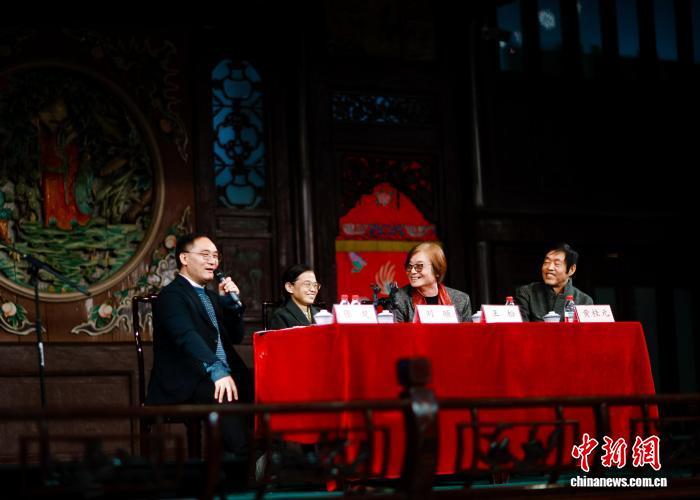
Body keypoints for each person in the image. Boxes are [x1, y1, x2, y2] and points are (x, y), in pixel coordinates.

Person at [146, 232, 251, 453]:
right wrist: (216, 369)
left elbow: (235, 337)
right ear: (184, 258)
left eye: (215, 256)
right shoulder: (171, 295)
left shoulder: (212, 297)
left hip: (219, 373)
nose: (213, 261)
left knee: (261, 386)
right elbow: (186, 335)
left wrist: (231, 307)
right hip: (187, 378)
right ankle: (243, 461)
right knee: (224, 393)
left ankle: (261, 454)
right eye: (205, 255)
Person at [391, 242, 472, 322]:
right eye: (409, 266)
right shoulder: (398, 299)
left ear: (437, 270)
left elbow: (468, 331)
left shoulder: (461, 300)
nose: (412, 271)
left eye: (419, 266)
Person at [515, 242, 594, 322]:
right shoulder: (526, 294)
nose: (550, 268)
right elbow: (519, 327)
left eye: (557, 264)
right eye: (546, 262)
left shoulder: (584, 301)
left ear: (571, 269)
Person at [269, 264, 321, 329]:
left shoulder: (320, 313)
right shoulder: (280, 316)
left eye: (315, 285)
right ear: (289, 287)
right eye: (307, 284)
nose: (313, 289)